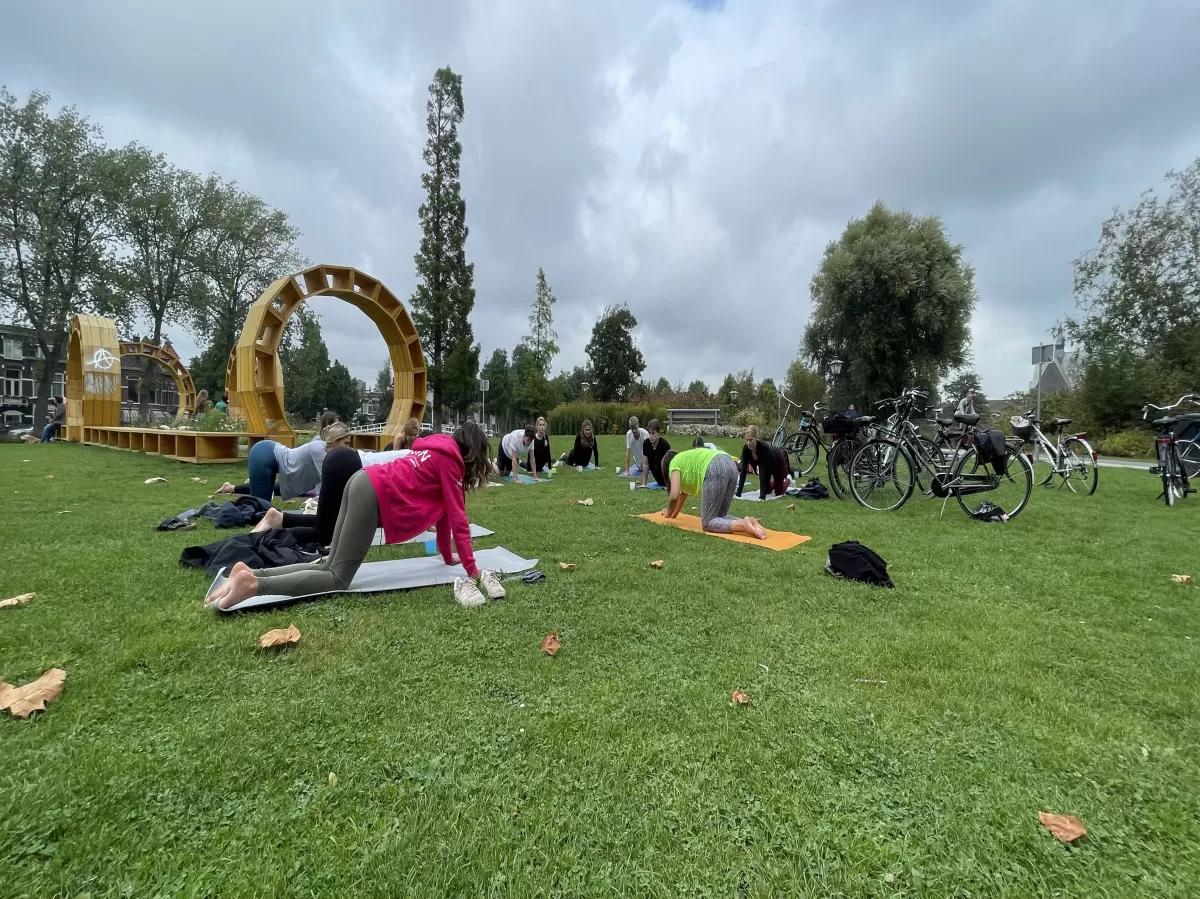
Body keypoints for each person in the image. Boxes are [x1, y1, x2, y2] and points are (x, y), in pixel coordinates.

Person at [207, 422, 505, 610]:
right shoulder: (451, 464)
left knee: (326, 563)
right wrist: (472, 569)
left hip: (361, 479)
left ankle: (252, 573)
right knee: (337, 577)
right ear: (472, 453)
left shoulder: (436, 452)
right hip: (371, 493)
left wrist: (446, 555)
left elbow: (443, 519)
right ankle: (255, 586)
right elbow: (459, 520)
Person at [254, 439, 415, 544]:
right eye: (345, 441)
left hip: (345, 463)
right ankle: (264, 540)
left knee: (332, 524)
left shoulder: (417, 456)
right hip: (349, 468)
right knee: (324, 535)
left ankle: (279, 519)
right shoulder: (424, 466)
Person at [217, 412, 344, 501]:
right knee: (261, 509)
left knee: (265, 505)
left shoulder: (327, 448)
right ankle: (223, 505)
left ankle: (232, 489)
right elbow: (329, 480)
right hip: (264, 454)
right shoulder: (319, 446)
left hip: (273, 457)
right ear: (328, 429)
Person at [659, 447, 766, 539]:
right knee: (721, 516)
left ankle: (743, 525)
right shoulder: (683, 460)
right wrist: (672, 514)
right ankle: (750, 523)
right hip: (730, 463)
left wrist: (668, 511)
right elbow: (682, 496)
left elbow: (674, 496)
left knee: (708, 523)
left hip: (715, 467)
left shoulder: (673, 464)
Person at [736, 425, 790, 499]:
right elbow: (743, 471)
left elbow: (763, 472)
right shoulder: (746, 449)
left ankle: (787, 480)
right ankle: (775, 484)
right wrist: (738, 493)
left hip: (777, 461)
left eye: (751, 440)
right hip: (767, 465)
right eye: (746, 440)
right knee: (766, 490)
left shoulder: (764, 449)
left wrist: (762, 497)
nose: (748, 443)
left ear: (756, 438)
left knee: (778, 492)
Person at [641, 418, 671, 488]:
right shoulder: (646, 444)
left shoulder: (665, 445)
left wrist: (668, 484)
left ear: (658, 433)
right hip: (658, 479)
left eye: (653, 433)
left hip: (667, 479)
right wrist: (644, 484)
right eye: (650, 433)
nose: (651, 436)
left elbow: (668, 466)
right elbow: (645, 464)